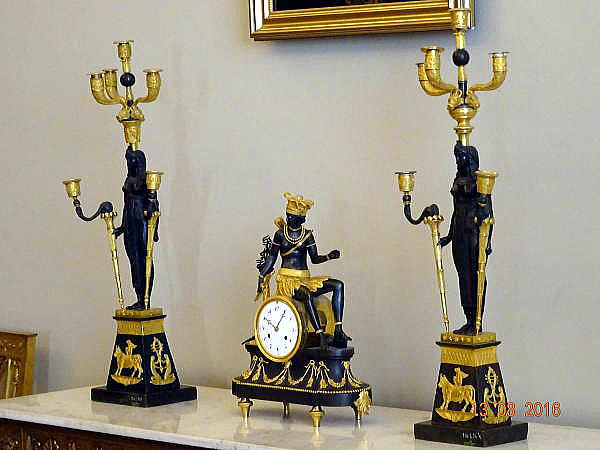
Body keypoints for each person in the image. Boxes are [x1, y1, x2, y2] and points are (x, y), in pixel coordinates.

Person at [257, 192, 351, 349]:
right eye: (288, 216)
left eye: (292, 217)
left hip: (305, 279)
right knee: (306, 295)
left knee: (338, 285)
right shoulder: (280, 234)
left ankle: (338, 330)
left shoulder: (307, 236)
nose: (288, 219)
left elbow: (314, 259)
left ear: (302, 219)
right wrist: (262, 275)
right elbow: (272, 257)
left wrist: (328, 256)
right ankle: (320, 334)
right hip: (287, 281)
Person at [440, 142, 493, 335]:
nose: (457, 160)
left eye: (460, 156)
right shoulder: (457, 179)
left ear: (469, 158)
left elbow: (489, 213)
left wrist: (488, 241)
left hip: (474, 234)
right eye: (456, 157)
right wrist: (449, 235)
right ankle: (468, 318)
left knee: (475, 276)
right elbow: (455, 212)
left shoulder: (480, 181)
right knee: (463, 276)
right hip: (460, 232)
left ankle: (477, 321)